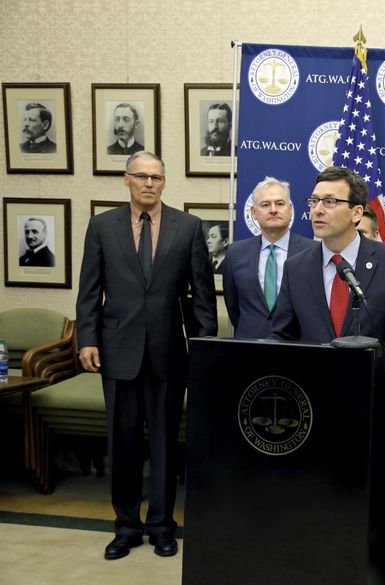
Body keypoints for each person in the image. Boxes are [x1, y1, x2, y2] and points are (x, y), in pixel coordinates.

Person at [76, 151, 217, 561]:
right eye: (141, 176)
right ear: (126, 180)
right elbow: (89, 290)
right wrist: (87, 339)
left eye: (156, 177)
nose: (149, 184)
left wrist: (204, 348)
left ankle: (161, 526)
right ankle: (126, 526)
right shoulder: (102, 226)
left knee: (165, 445)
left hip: (168, 353)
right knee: (122, 444)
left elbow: (202, 297)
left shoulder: (187, 227)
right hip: (117, 351)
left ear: (164, 182)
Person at [270, 166, 385, 385]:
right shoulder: (295, 267)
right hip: (312, 391)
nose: (318, 210)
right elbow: (282, 335)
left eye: (330, 202)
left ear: (357, 213)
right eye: (314, 201)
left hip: (373, 390)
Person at [223, 177, 316, 339]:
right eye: (265, 205)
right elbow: (233, 307)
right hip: (249, 346)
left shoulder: (313, 251)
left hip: (297, 346)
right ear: (254, 213)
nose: (273, 210)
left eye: (280, 204)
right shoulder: (235, 253)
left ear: (290, 209)